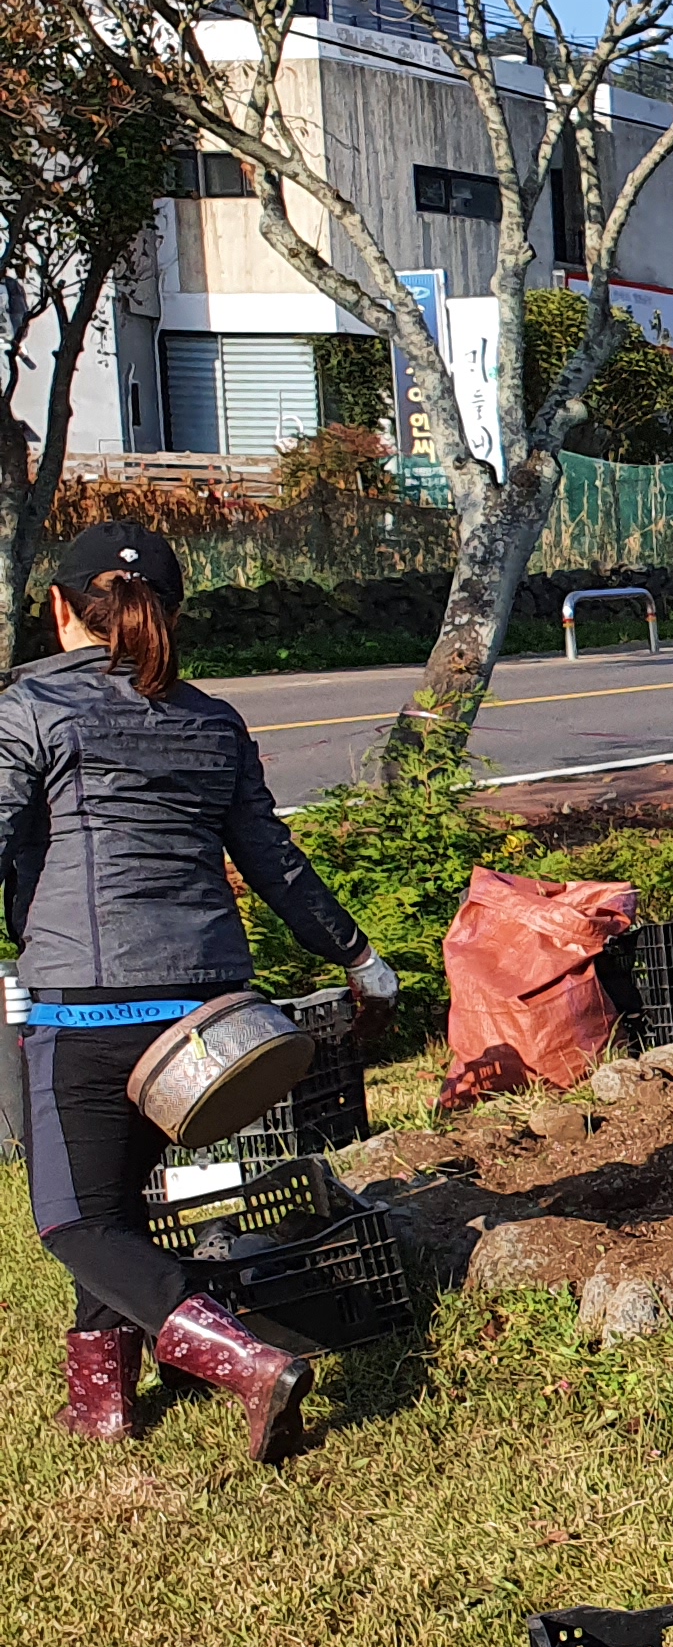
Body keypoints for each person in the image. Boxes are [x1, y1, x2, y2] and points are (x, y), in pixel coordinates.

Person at [0, 524, 402, 1455]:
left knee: (68, 1219)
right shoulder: (211, 720)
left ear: (59, 606)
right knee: (114, 1205)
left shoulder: (31, 710)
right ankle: (100, 1401)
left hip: (87, 1003)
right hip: (206, 1020)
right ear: (169, 613)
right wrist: (356, 955)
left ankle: (245, 1360)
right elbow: (273, 860)